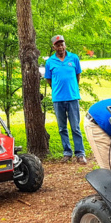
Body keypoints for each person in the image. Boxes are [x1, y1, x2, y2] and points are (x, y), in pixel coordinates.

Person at [44, 34, 86, 164]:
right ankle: (67, 153)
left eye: (62, 44)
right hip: (58, 99)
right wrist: (57, 89)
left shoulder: (73, 58)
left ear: (65, 45)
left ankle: (80, 154)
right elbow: (48, 79)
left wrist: (72, 88)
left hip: (73, 97)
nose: (60, 47)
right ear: (54, 47)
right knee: (62, 128)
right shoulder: (50, 62)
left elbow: (77, 75)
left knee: (75, 127)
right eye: (57, 45)